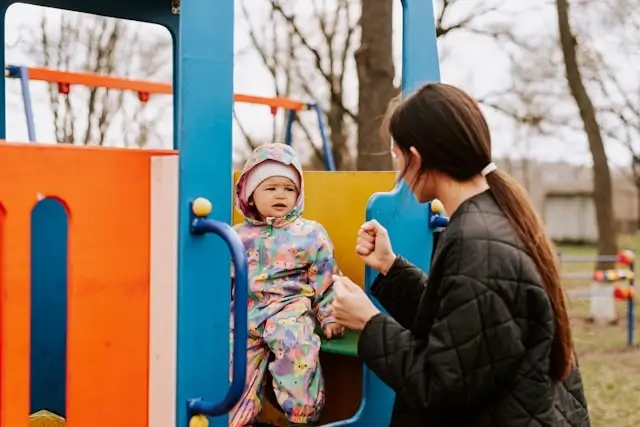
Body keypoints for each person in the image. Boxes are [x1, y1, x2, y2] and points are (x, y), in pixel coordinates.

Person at [330, 83, 590, 426]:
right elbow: (464, 328)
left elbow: (439, 384)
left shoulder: (479, 243)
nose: (399, 173)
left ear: (416, 157)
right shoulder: (490, 219)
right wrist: (391, 268)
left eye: (396, 156)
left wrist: (368, 323)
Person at [229, 143, 344, 427]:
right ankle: (236, 419)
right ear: (250, 195)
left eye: (288, 188)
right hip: (245, 314)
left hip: (288, 311)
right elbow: (223, 280)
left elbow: (326, 278)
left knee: (296, 351)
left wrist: (329, 315)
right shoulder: (236, 236)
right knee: (232, 365)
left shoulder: (309, 234)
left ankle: (300, 418)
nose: (281, 194)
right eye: (270, 188)